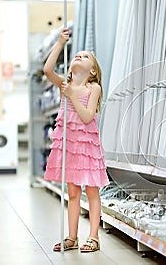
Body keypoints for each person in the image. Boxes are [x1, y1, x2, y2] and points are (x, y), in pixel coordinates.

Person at [43, 28, 110, 253]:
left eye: (85, 56)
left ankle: (93, 236)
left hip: (87, 148)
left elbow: (87, 116)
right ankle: (72, 236)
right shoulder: (65, 85)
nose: (79, 56)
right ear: (71, 68)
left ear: (92, 71)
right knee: (72, 193)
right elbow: (47, 69)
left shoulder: (93, 88)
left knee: (92, 191)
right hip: (70, 148)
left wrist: (72, 94)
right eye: (76, 55)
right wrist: (61, 43)